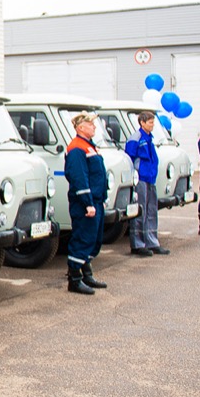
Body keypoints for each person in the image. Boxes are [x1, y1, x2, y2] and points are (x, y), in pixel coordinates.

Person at [63, 111, 109, 294]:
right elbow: (79, 178)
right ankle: (74, 280)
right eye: (91, 124)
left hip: (95, 201)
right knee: (82, 238)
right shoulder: (76, 148)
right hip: (84, 204)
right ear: (80, 127)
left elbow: (98, 175)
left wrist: (101, 200)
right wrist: (87, 203)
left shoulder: (89, 146)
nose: (94, 127)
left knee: (93, 239)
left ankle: (86, 274)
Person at [124, 111, 170, 256]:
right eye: (150, 122)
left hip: (150, 178)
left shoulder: (149, 138)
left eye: (153, 122)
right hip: (141, 179)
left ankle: (152, 242)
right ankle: (138, 244)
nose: (152, 125)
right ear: (142, 123)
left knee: (151, 210)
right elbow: (129, 159)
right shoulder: (135, 138)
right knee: (140, 211)